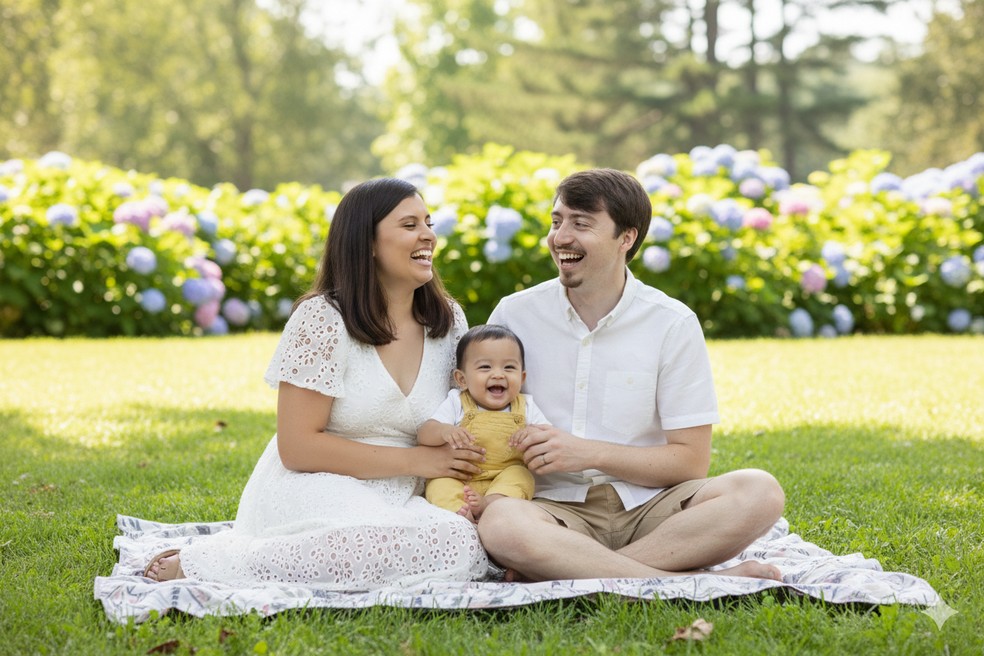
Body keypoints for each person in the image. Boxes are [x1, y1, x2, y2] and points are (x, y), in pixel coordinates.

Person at [143, 178, 489, 588]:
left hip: (405, 495)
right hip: (317, 483)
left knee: (459, 543)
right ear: (369, 242)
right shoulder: (322, 320)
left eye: (428, 223)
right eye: (410, 224)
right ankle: (213, 562)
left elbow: (463, 416)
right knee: (387, 539)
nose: (429, 235)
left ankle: (285, 560)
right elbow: (298, 447)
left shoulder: (448, 322)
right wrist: (417, 461)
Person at [480, 168, 785, 582]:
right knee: (502, 524)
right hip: (550, 508)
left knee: (759, 491)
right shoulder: (514, 314)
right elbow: (478, 415)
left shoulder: (671, 323)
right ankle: (687, 581)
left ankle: (574, 567)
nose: (560, 237)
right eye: (557, 221)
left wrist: (588, 452)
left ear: (627, 238)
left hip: (653, 511)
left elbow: (691, 461)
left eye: (581, 223)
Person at [419, 324, 549, 522]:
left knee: (521, 475)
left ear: (522, 378)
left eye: (509, 367)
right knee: (439, 483)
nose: (498, 374)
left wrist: (533, 433)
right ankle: (460, 512)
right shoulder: (457, 401)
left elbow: (548, 436)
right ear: (462, 379)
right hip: (459, 477)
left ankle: (490, 505)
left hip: (503, 477)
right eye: (485, 367)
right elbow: (424, 434)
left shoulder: (526, 406)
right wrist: (445, 431)